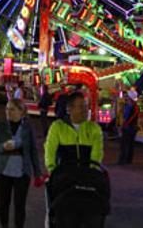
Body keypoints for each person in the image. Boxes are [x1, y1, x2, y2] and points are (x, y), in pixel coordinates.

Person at [44, 91, 106, 227]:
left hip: (86, 178)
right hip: (64, 178)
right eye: (81, 107)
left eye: (86, 106)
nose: (85, 110)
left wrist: (91, 173)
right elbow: (50, 151)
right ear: (70, 108)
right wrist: (52, 170)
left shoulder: (94, 128)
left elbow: (97, 155)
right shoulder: (58, 127)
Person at [0, 98, 45, 228]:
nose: (8, 112)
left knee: (20, 205)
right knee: (4, 203)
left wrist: (38, 173)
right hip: (4, 170)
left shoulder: (27, 128)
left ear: (21, 112)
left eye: (12, 109)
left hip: (22, 171)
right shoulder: (1, 125)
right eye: (7, 109)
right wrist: (3, 146)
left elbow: (33, 151)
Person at [117, 89, 139, 165]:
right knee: (130, 144)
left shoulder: (131, 107)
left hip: (129, 127)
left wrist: (124, 124)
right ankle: (128, 159)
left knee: (125, 144)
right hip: (131, 127)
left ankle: (124, 159)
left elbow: (128, 117)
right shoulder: (134, 107)